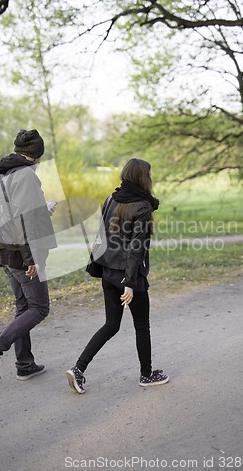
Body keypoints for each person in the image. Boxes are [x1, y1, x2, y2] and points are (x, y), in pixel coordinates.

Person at [66, 158, 169, 394]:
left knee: (111, 325)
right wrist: (131, 284)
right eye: (149, 175)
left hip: (109, 273)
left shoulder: (110, 198)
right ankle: (147, 374)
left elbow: (101, 237)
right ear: (144, 178)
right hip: (129, 277)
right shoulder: (142, 206)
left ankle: (78, 370)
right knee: (142, 326)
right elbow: (136, 249)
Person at [0, 129, 57, 384]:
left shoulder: (0, 174)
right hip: (22, 254)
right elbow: (22, 220)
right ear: (38, 155)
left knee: (24, 306)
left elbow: (8, 215)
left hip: (5, 250)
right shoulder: (26, 176)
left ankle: (25, 364)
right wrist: (30, 257)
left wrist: (43, 211)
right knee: (39, 308)